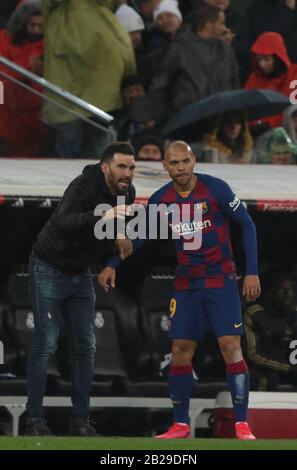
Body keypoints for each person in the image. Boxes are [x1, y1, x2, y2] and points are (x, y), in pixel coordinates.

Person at [99, 140, 261, 439]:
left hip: (220, 281)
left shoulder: (216, 189)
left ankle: (242, 423)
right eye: (174, 163)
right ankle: (180, 424)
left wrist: (251, 272)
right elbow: (139, 235)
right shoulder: (161, 199)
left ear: (194, 160)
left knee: (230, 347)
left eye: (185, 161)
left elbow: (247, 225)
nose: (181, 167)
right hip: (186, 284)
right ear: (166, 167)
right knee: (179, 352)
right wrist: (112, 264)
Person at [25, 142, 136, 436]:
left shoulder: (128, 193)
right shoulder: (84, 185)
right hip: (49, 267)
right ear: (105, 167)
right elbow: (62, 222)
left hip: (82, 273)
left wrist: (117, 245)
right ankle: (34, 422)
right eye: (121, 167)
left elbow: (122, 229)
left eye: (131, 167)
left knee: (87, 347)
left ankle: (80, 423)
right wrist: (103, 217)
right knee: (46, 343)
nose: (127, 173)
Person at [0, 0, 46, 157]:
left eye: (40, 26)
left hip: (36, 114)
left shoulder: (47, 44)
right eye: (32, 25)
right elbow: (3, 72)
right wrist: (29, 65)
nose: (36, 30)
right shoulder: (4, 39)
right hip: (8, 111)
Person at [245, 274, 297, 391]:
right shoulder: (254, 314)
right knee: (265, 378)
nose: (288, 295)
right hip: (264, 371)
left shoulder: (295, 312)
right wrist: (287, 367)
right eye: (282, 291)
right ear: (270, 294)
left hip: (292, 367)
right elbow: (253, 354)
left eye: (290, 291)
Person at [244, 32, 297, 128]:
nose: (262, 64)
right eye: (259, 59)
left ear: (278, 58)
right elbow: (246, 107)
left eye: (266, 59)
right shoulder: (254, 78)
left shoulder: (294, 74)